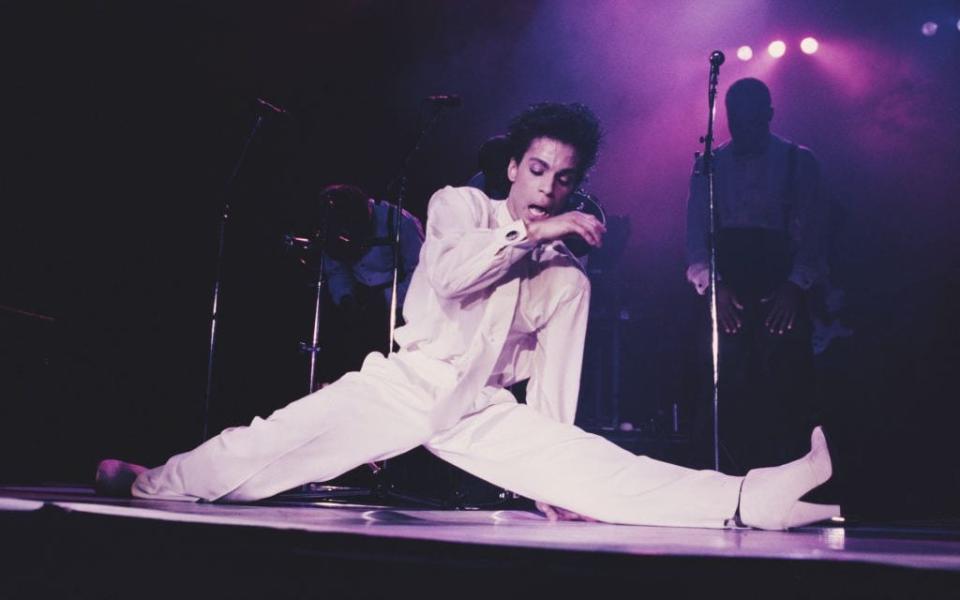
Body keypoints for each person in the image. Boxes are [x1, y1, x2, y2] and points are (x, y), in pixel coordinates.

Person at [98, 102, 837, 530]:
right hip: (413, 381)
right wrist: (534, 235)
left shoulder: (561, 273)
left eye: (566, 180)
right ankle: (153, 481)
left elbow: (554, 383)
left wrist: (557, 475)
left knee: (598, 467)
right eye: (538, 170)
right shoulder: (460, 205)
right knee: (273, 444)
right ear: (514, 167)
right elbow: (450, 279)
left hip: (479, 407)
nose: (549, 189)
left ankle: (748, 498)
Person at [686, 78, 827, 474]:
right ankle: (720, 481)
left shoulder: (800, 161)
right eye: (736, 121)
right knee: (722, 384)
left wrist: (794, 287)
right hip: (727, 281)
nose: (744, 130)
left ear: (769, 115)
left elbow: (815, 233)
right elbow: (695, 236)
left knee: (783, 384)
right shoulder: (709, 164)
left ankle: (790, 479)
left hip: (779, 280)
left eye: (753, 120)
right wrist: (714, 287)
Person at [311, 184, 424, 379]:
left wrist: (387, 299)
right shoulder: (334, 227)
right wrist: (345, 297)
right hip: (359, 303)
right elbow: (337, 268)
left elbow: (422, 272)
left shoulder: (400, 222)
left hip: (401, 307)